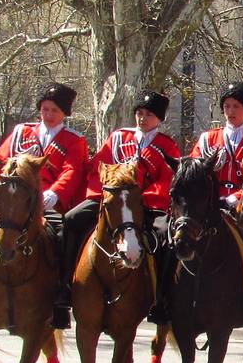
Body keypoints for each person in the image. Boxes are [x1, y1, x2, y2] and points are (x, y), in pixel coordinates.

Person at [0, 82, 90, 327]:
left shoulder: (74, 140)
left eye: (54, 111)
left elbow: (72, 171)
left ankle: (61, 292)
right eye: (45, 109)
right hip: (10, 199)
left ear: (64, 114)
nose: (48, 115)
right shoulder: (21, 132)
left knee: (64, 235)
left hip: (47, 202)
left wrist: (55, 194)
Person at [63, 90, 180, 324]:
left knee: (166, 238)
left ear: (159, 119)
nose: (142, 118)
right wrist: (104, 194)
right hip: (109, 200)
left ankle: (162, 298)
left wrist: (139, 199)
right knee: (71, 220)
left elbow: (166, 180)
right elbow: (99, 167)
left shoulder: (167, 146)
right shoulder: (117, 137)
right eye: (139, 113)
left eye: (148, 114)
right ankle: (65, 287)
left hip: (146, 206)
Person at [188, 82, 243, 209]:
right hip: (211, 204)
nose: (230, 111)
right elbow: (193, 173)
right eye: (226, 106)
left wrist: (235, 198)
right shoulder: (208, 139)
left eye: (236, 106)